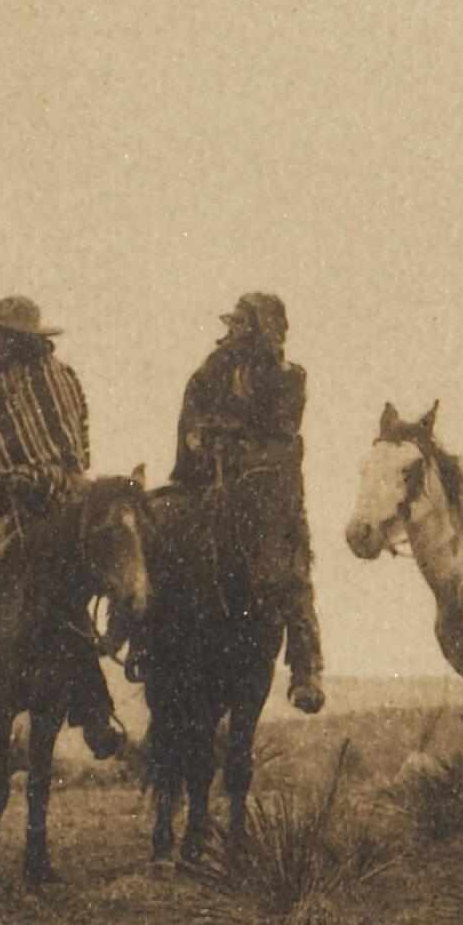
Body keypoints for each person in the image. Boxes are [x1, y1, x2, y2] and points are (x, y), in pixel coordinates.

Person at [0, 294, 126, 757]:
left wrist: (31, 478)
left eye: (5, 336)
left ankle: (93, 708)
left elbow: (71, 450)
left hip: (49, 499)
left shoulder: (56, 378)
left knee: (64, 592)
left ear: (25, 341)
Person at [174, 291, 328, 714]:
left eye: (246, 324)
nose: (235, 332)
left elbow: (281, 432)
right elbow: (190, 423)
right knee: (155, 533)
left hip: (268, 491)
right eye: (235, 323)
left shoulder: (288, 376)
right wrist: (202, 440)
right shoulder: (208, 373)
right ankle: (136, 638)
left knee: (290, 570)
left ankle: (305, 666)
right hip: (205, 482)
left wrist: (232, 440)